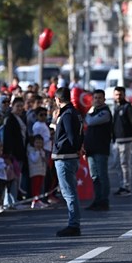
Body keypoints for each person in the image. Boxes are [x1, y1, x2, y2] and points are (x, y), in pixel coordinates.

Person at [52, 87, 84, 237]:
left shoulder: (66, 114)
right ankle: (74, 223)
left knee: (69, 193)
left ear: (57, 100)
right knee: (70, 192)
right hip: (70, 156)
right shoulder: (75, 112)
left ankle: (73, 224)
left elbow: (71, 136)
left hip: (65, 157)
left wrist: (75, 147)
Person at [83, 89, 113, 211]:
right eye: (95, 98)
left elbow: (90, 121)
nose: (97, 100)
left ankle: (104, 201)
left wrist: (89, 112)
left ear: (104, 99)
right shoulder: (94, 111)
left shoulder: (105, 112)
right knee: (94, 176)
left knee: (102, 176)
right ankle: (97, 199)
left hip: (101, 149)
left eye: (99, 98)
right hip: (91, 149)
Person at [112, 86, 132, 197]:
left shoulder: (128, 107)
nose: (118, 97)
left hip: (126, 140)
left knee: (124, 164)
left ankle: (127, 187)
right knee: (117, 164)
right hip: (116, 140)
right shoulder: (115, 107)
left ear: (124, 95)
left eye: (120, 94)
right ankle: (121, 185)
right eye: (116, 94)